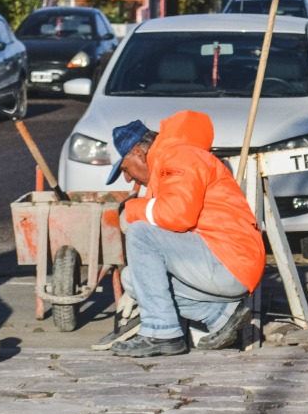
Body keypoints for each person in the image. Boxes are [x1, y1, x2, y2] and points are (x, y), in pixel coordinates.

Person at [107, 113, 266, 358]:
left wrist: (132, 210)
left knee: (140, 233)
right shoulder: (171, 161)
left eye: (125, 169)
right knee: (132, 278)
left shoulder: (179, 155)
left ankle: (161, 332)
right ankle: (220, 316)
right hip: (227, 262)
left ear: (138, 152)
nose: (128, 178)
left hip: (230, 260)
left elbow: (177, 215)